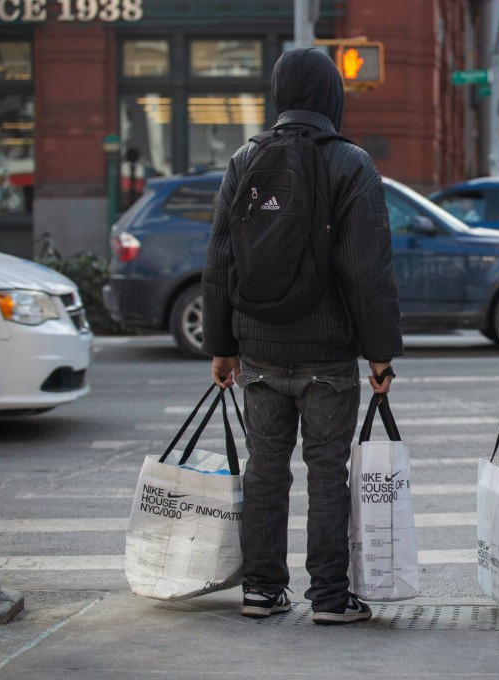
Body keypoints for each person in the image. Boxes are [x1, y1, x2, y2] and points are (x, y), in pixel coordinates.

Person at [201, 47, 403, 625]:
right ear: (330, 96)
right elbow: (367, 267)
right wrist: (380, 354)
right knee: (326, 472)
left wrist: (222, 345)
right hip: (328, 354)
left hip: (259, 349)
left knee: (266, 469)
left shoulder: (245, 159)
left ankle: (262, 590)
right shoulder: (351, 163)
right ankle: (330, 598)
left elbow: (219, 258)